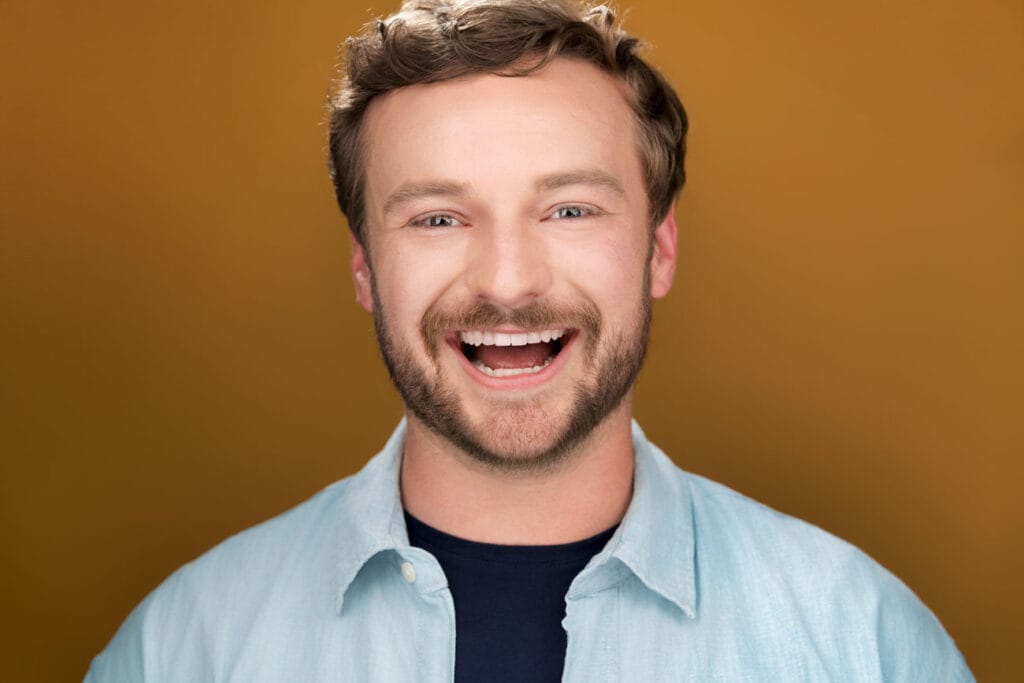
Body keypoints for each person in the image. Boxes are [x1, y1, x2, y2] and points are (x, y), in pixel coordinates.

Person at [87, 1, 973, 680]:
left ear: (658, 248)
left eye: (570, 209)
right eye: (438, 217)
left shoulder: (862, 639)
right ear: (364, 269)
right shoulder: (187, 644)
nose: (508, 283)